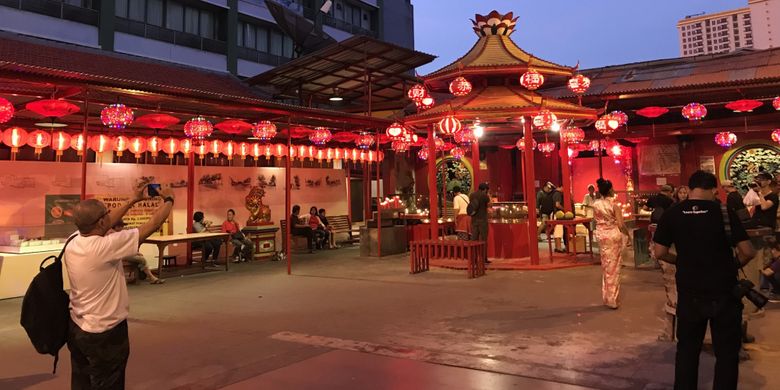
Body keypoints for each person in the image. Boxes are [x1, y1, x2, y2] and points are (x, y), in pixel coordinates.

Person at [653, 170, 756, 390]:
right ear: (712, 189)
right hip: (724, 293)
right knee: (727, 353)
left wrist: (680, 261)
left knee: (687, 351)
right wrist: (732, 265)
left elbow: (660, 252)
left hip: (690, 293)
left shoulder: (673, 213)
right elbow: (748, 251)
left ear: (689, 189)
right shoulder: (724, 212)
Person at [65, 184, 174, 389]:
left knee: (82, 382)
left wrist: (132, 200)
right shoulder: (106, 246)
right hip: (105, 332)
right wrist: (169, 200)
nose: (110, 216)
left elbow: (105, 223)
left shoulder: (73, 240)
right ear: (100, 222)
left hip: (78, 326)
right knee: (109, 381)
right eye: (106, 213)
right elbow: (152, 224)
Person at [592, 178, 629, 309]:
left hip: (602, 236)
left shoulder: (596, 204)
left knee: (606, 267)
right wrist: (627, 234)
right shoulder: (614, 205)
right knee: (614, 268)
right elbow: (620, 224)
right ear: (610, 190)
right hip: (613, 236)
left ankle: (606, 297)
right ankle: (613, 299)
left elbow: (596, 220)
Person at [112, 220, 164, 284]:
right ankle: (151, 277)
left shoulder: (120, 234)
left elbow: (127, 246)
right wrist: (134, 252)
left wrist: (135, 252)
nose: (122, 228)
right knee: (141, 259)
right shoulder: (113, 235)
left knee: (140, 257)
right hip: (120, 255)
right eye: (121, 226)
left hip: (124, 253)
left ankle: (146, 276)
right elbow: (121, 249)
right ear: (116, 227)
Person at [469, 182, 491, 264]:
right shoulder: (484, 196)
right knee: (483, 240)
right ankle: (484, 259)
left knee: (474, 240)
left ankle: (474, 259)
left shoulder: (472, 195)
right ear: (485, 189)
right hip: (483, 221)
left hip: (474, 220)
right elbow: (490, 205)